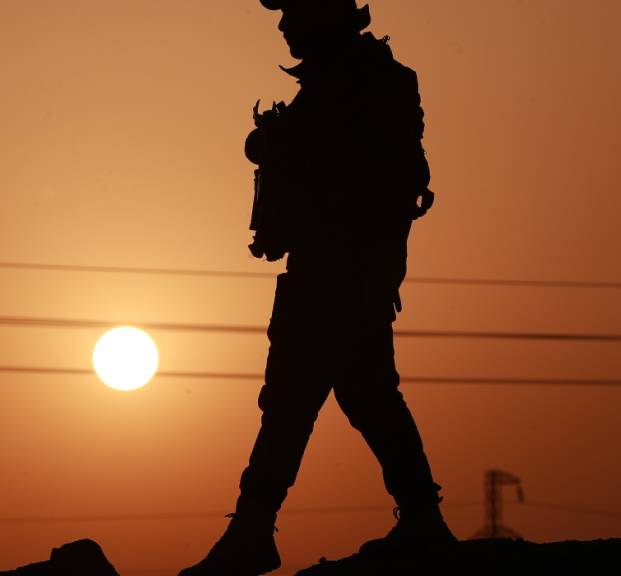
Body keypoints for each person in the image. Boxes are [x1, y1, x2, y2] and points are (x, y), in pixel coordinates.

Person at [180, 1, 454, 574]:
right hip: (341, 270)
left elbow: (382, 178)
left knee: (291, 400)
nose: (283, 28)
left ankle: (254, 531)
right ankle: (423, 523)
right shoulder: (347, 83)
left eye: (294, 14)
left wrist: (288, 152)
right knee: (365, 395)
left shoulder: (368, 84)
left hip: (342, 272)